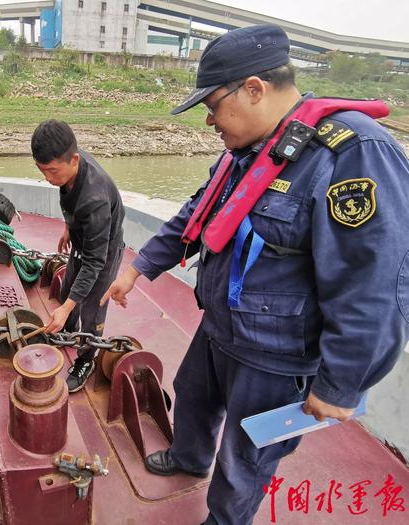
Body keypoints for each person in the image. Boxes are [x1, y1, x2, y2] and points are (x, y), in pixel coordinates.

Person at [101, 24, 409, 525]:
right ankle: (188, 457)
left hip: (276, 353)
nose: (208, 120)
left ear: (254, 89)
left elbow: (373, 284)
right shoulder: (249, 150)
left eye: (213, 104)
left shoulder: (352, 154)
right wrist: (139, 266)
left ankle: (224, 519)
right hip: (221, 325)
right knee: (194, 399)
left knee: (246, 456)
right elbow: (197, 214)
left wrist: (340, 384)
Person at [32, 120, 125, 392]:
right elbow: (68, 199)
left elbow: (95, 262)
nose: (48, 179)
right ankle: (66, 330)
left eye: (51, 171)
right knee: (70, 284)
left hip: (103, 254)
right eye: (41, 171)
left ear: (74, 159)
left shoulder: (94, 199)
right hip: (82, 239)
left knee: (92, 308)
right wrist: (68, 227)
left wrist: (67, 307)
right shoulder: (68, 164)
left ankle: (86, 359)